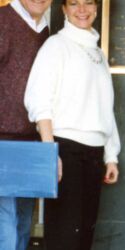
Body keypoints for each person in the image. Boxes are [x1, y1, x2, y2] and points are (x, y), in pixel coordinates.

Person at [24, 0, 121, 249]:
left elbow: (105, 108)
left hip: (94, 153)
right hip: (65, 151)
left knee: (83, 239)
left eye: (88, 3)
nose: (82, 10)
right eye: (74, 3)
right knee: (65, 238)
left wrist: (111, 155)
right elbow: (39, 102)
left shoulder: (97, 53)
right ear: (64, 9)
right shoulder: (56, 46)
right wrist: (51, 154)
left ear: (96, 9)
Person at [0, 0, 52, 249]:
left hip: (30, 141)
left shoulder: (44, 29)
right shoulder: (2, 20)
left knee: (22, 222)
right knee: (5, 224)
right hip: (2, 142)